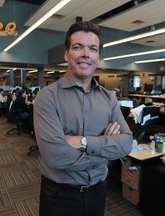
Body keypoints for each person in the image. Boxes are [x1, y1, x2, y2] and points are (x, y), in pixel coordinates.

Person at [33, 21, 133, 216]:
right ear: (66, 54)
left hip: (98, 190)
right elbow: (55, 156)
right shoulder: (47, 97)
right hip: (60, 195)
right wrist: (106, 153)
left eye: (93, 49)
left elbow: (127, 143)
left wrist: (83, 142)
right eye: (78, 47)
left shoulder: (109, 98)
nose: (86, 54)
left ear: (98, 57)